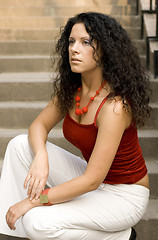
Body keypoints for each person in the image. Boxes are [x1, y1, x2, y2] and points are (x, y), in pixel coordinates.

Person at [0, 12, 151, 240]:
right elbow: (38, 126)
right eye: (71, 41)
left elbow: (92, 180)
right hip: (93, 180)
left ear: (105, 49)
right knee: (20, 145)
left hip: (123, 196)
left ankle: (120, 236)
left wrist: (34, 201)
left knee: (36, 220)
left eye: (85, 42)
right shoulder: (73, 93)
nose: (74, 49)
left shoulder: (115, 107)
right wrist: (40, 157)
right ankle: (18, 230)